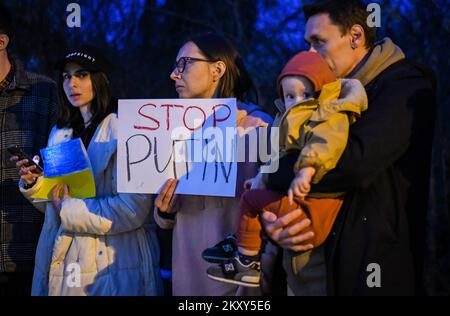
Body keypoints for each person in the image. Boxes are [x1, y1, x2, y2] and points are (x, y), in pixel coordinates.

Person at [261, 0, 436, 295]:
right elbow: (279, 152)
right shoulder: (320, 92)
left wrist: (274, 176)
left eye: (319, 42)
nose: (309, 54)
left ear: (355, 36)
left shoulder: (405, 86)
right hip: (308, 274)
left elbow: (353, 163)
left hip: (370, 272)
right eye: (307, 43)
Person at [204, 51, 367, 289]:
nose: (298, 101)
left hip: (314, 210)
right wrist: (261, 177)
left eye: (306, 94)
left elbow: (326, 143)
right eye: (290, 95)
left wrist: (307, 170)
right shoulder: (287, 121)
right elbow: (278, 155)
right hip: (299, 208)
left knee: (251, 202)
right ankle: (242, 246)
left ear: (322, 93)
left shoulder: (327, 115)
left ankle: (247, 262)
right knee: (251, 196)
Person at [12, 45, 163, 296]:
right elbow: (57, 203)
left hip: (116, 262)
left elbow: (133, 209)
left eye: (81, 74)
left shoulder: (128, 127)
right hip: (66, 260)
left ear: (100, 78)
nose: (72, 83)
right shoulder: (61, 132)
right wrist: (35, 184)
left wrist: (69, 208)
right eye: (66, 76)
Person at [154, 33, 273, 296]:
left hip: (239, 279)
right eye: (175, 65)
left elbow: (272, 205)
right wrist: (164, 212)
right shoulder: (169, 128)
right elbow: (165, 217)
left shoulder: (257, 126)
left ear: (217, 69)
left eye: (184, 63)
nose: (174, 74)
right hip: (188, 275)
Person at [0, 4, 57, 296]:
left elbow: (64, 164)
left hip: (26, 251)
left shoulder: (45, 91)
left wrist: (37, 175)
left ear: (2, 41)